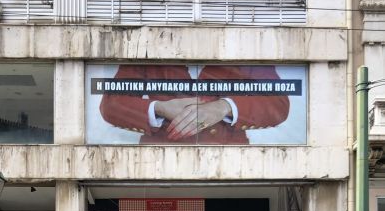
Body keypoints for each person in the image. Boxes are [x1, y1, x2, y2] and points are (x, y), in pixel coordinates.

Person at [100, 64, 290, 145]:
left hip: (228, 156)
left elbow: (278, 103)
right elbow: (111, 104)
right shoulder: (148, 42)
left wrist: (224, 107)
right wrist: (160, 108)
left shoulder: (245, 43)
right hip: (160, 158)